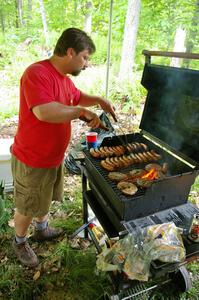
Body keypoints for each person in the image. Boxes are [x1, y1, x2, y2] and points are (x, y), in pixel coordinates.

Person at [11, 27, 116, 267]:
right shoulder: (37, 73)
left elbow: (77, 97)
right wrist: (80, 112)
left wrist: (98, 100)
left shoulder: (64, 80)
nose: (87, 64)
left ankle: (42, 228)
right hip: (33, 157)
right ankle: (19, 241)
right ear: (70, 52)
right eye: (85, 57)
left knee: (43, 197)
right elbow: (44, 111)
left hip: (52, 155)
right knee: (28, 204)